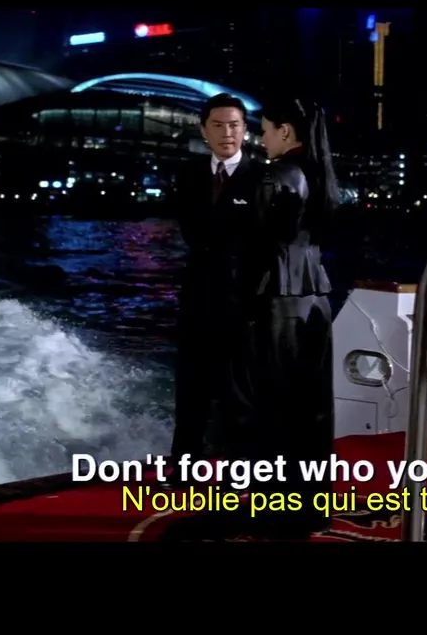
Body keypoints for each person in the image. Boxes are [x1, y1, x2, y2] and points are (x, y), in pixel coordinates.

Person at [238, 97, 341, 538]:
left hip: (278, 295)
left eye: (264, 130)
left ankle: (273, 506)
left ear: (284, 131)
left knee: (274, 404)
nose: (260, 138)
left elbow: (253, 242)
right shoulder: (321, 175)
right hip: (316, 296)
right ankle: (312, 505)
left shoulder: (275, 175)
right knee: (313, 407)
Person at [170, 93, 263, 477]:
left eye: (235, 125)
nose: (227, 133)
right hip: (197, 298)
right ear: (203, 130)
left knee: (238, 393)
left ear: (245, 130)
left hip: (244, 303)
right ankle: (183, 468)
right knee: (190, 387)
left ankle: (238, 471)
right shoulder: (188, 174)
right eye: (219, 125)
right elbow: (192, 233)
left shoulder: (262, 177)